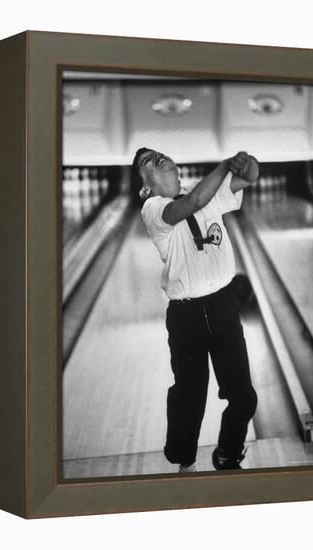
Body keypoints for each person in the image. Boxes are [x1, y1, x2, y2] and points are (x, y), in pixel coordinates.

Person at [132, 148, 259, 473]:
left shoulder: (205, 194)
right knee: (189, 398)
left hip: (224, 308)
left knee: (244, 397)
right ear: (146, 187)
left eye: (159, 154)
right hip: (186, 317)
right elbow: (193, 204)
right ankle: (185, 462)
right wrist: (224, 165)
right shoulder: (154, 209)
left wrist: (247, 164)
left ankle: (228, 455)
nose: (157, 158)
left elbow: (248, 178)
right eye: (148, 162)